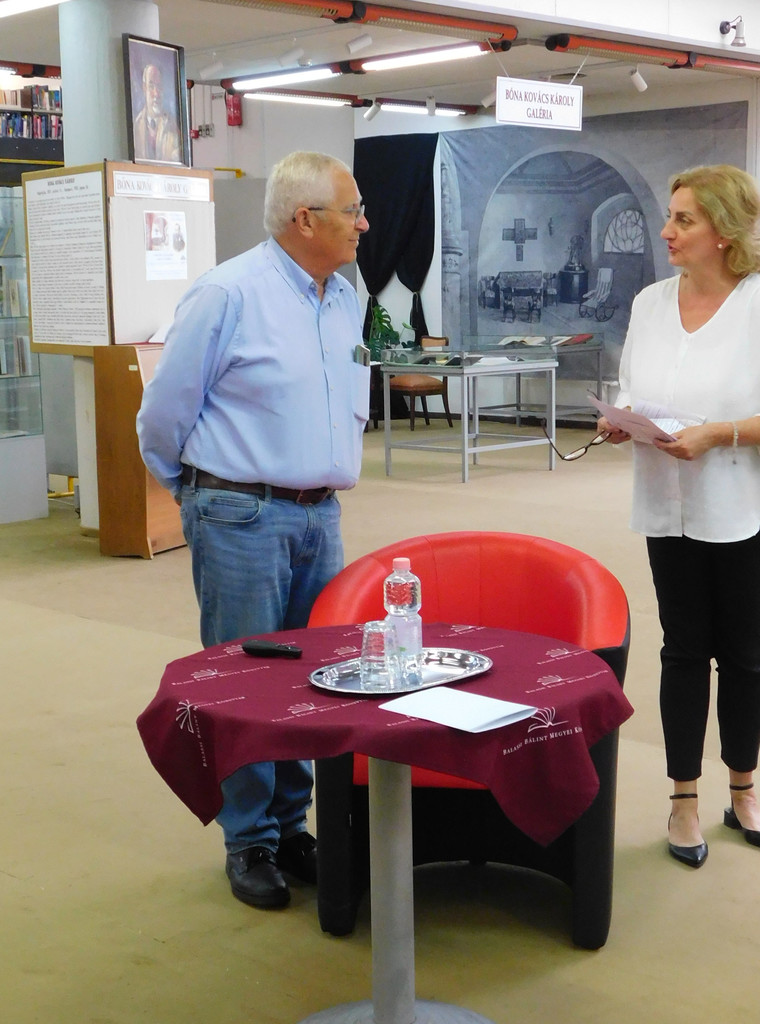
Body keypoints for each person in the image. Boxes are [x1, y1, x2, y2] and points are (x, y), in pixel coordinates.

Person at [137, 152, 371, 907]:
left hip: (320, 514)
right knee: (243, 680)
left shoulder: (344, 296)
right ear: (306, 219)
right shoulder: (228, 293)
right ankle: (249, 842)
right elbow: (163, 413)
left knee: (312, 679)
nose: (364, 223)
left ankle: (291, 826)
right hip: (239, 513)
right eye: (352, 210)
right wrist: (196, 491)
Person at [597, 165, 760, 868]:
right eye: (669, 216)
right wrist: (622, 418)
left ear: (724, 232)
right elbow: (633, 386)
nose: (665, 230)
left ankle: (744, 791)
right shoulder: (649, 303)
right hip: (669, 507)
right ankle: (683, 801)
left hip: (747, 509)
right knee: (682, 651)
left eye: (683, 219)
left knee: (744, 656)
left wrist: (718, 433)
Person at [132, 63, 181, 163]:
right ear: (144, 88)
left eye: (159, 86)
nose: (156, 94)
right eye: (151, 86)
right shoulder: (135, 125)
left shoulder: (172, 125)